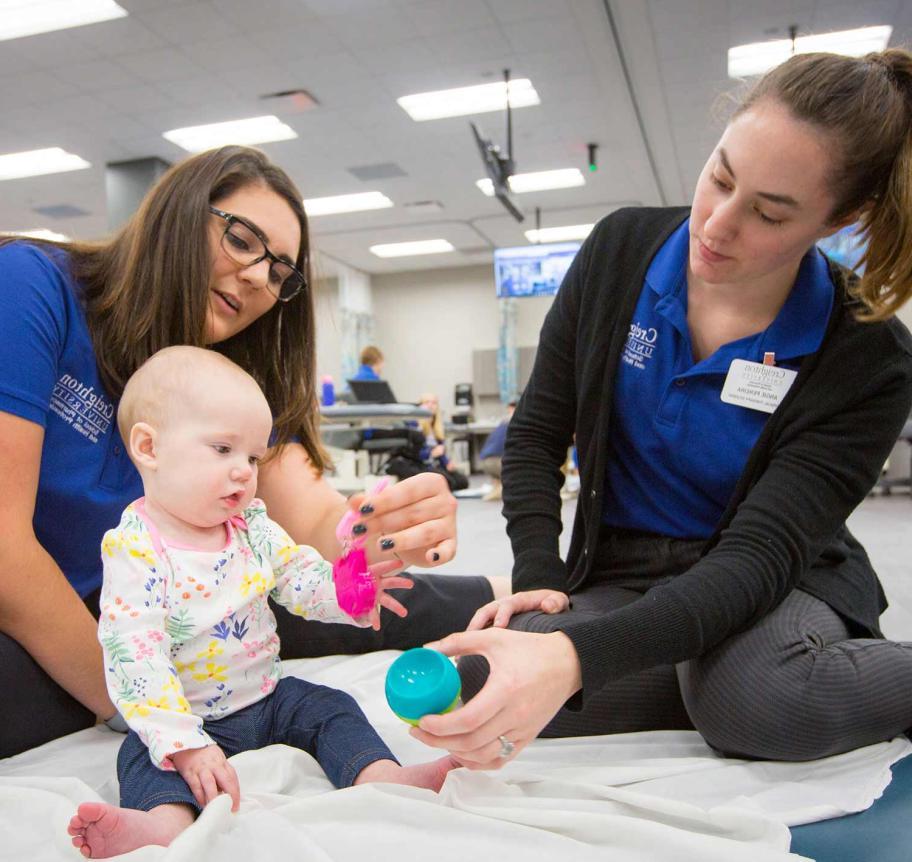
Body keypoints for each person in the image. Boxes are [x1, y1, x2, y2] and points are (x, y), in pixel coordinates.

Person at [409, 49, 912, 770]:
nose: (718, 224)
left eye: (769, 213)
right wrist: (540, 582)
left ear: (842, 218)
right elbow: (536, 437)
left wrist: (576, 659)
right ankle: (702, 666)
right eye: (721, 177)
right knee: (492, 690)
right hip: (627, 567)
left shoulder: (869, 356)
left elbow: (758, 558)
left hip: (774, 577)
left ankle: (747, 671)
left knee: (754, 706)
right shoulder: (621, 251)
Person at [0, 145, 501, 760]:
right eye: (241, 240)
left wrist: (381, 526)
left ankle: (520, 595)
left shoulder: (227, 379)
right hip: (53, 614)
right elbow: (4, 550)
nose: (260, 278)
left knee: (328, 594)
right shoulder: (33, 285)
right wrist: (145, 710)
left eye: (281, 272)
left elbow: (317, 525)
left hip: (146, 609)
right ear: (178, 214)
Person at [67, 347, 457, 858]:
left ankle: (380, 774)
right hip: (192, 715)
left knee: (331, 707)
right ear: (149, 448)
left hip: (268, 696)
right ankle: (160, 826)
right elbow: (133, 655)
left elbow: (299, 576)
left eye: (251, 457)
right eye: (223, 449)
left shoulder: (251, 525)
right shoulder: (135, 548)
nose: (243, 472)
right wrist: (183, 743)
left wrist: (348, 588)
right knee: (142, 755)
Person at [478, 401, 516, 502]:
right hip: (498, 462)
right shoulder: (517, 422)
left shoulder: (502, 423)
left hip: (484, 462)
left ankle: (498, 486)